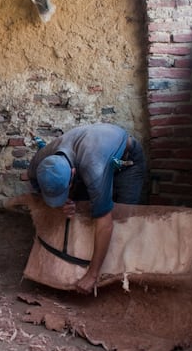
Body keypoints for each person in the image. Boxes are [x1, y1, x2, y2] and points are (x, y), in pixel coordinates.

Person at [25, 123, 145, 295]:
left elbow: (105, 225)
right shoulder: (39, 163)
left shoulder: (93, 169)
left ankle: (117, 281)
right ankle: (82, 263)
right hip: (91, 153)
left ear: (73, 173)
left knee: (122, 218)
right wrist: (63, 202)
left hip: (126, 162)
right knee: (83, 209)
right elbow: (35, 186)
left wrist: (92, 274)